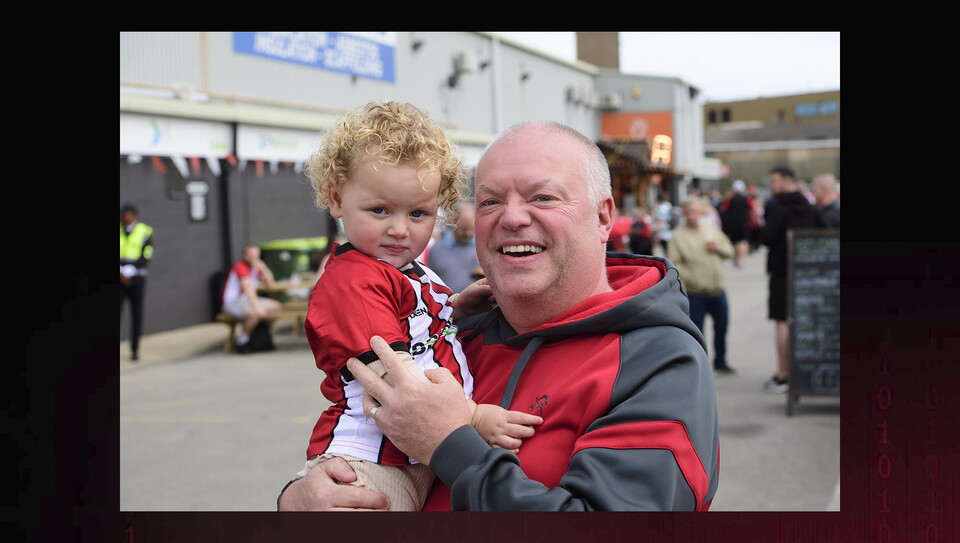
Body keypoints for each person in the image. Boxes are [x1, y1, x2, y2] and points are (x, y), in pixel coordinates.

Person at [279, 120, 720, 512]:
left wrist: (450, 442)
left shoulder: (656, 357)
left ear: (603, 216)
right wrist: (297, 500)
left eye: (542, 197)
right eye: (490, 202)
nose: (511, 218)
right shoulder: (458, 334)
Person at [296, 101, 542, 511]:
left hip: (407, 452)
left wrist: (458, 307)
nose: (398, 229)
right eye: (379, 210)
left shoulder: (407, 270)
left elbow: (419, 325)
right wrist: (473, 417)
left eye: (418, 213)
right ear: (336, 199)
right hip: (368, 461)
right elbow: (395, 378)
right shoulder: (353, 279)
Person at [761, 166, 825, 393]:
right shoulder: (809, 207)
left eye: (774, 181)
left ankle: (783, 375)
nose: (772, 185)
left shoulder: (778, 207)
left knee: (782, 322)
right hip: (807, 274)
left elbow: (766, 237)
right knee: (805, 322)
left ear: (786, 180)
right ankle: (803, 372)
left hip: (781, 272)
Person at [669, 199, 736, 374]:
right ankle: (701, 366)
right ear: (684, 214)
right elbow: (675, 264)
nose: (692, 215)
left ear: (700, 212)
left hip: (718, 289)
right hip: (695, 292)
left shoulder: (710, 229)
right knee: (697, 332)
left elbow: (729, 251)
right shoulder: (678, 236)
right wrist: (693, 278)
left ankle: (721, 360)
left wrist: (718, 248)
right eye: (689, 211)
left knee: (722, 326)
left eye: (695, 211)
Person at [220, 244, 282, 353]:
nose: (255, 258)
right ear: (245, 256)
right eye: (252, 255)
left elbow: (271, 285)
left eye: (257, 255)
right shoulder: (240, 266)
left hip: (247, 301)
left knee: (276, 307)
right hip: (233, 302)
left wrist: (264, 268)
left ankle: (261, 335)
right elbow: (247, 289)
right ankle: (243, 340)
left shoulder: (256, 268)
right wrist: (257, 306)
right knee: (254, 313)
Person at [119, 203, 154, 361]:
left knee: (136, 314)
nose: (125, 218)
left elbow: (146, 255)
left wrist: (129, 272)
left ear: (134, 216)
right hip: (119, 279)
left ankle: (135, 348)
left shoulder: (145, 231)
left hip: (136, 279)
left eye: (128, 215)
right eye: (123, 215)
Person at [427, 200, 484, 293]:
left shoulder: (482, 246)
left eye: (471, 228)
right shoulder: (436, 250)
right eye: (463, 229)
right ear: (453, 224)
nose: (468, 233)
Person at [718, 180, 751, 268]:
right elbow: (753, 209)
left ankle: (736, 258)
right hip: (743, 223)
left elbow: (723, 209)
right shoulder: (746, 199)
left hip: (732, 224)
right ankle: (740, 259)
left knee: (734, 242)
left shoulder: (730, 199)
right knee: (742, 241)